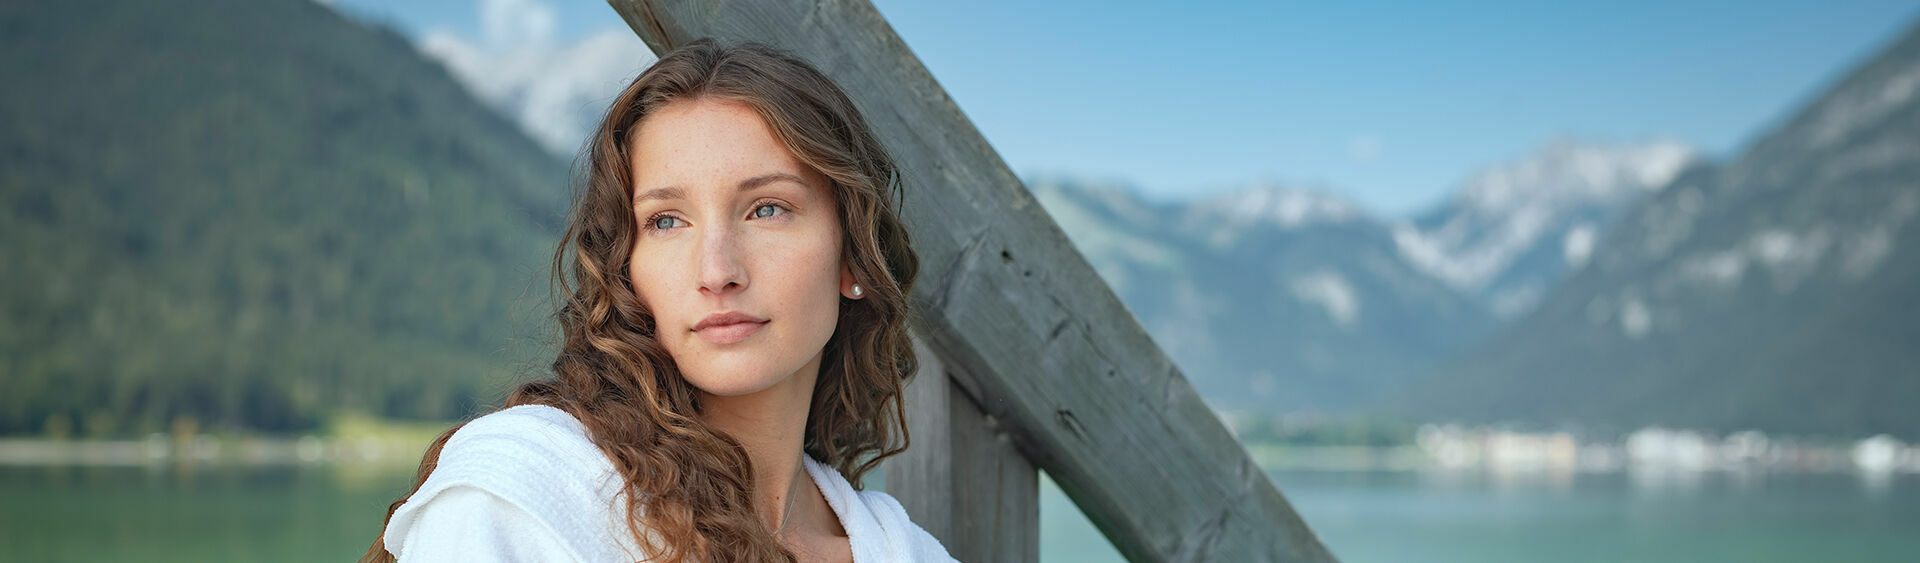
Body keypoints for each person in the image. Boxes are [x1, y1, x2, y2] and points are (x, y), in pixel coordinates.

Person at [360, 37, 954, 562]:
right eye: (667, 221)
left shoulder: (902, 551)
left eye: (766, 209)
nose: (716, 271)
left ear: (852, 256)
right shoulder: (530, 492)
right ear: (627, 269)